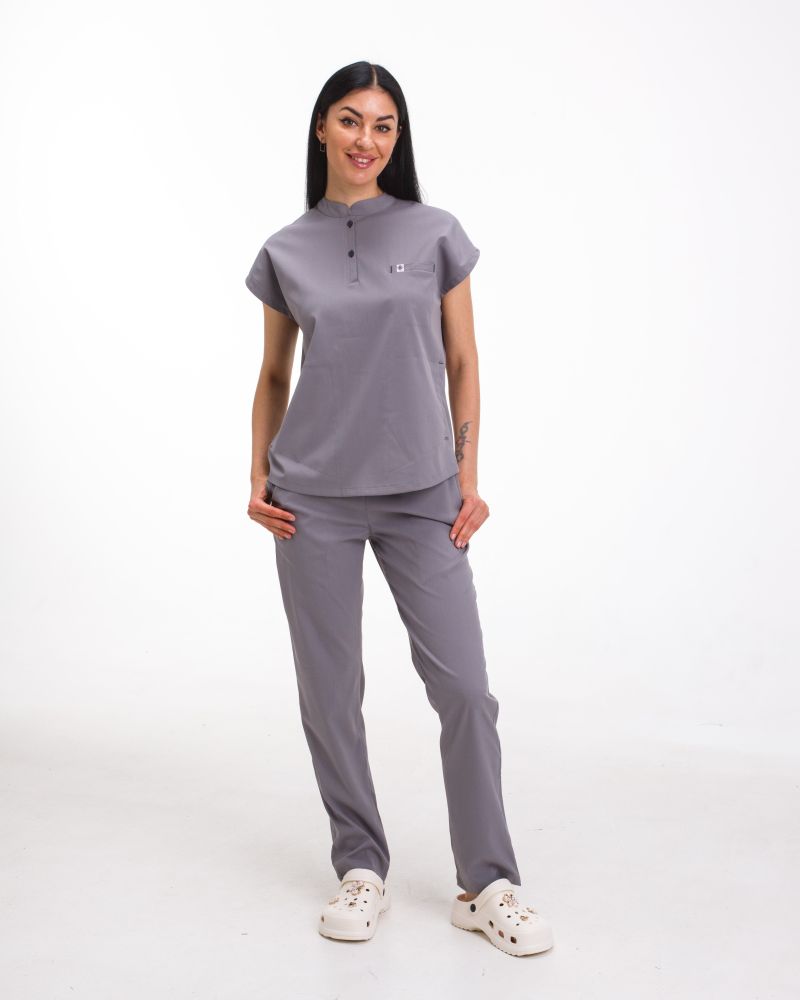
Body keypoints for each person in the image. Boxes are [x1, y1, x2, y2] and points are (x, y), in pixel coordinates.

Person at [244, 61, 554, 958]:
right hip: (312, 498)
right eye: (350, 120)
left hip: (423, 496)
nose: (366, 140)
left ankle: (487, 882)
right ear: (321, 128)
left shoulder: (435, 232)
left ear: (397, 139)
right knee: (330, 693)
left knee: (464, 689)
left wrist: (466, 475)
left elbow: (463, 361)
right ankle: (360, 865)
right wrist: (258, 474)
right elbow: (273, 373)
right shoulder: (287, 248)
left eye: (384, 126)